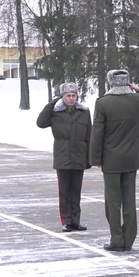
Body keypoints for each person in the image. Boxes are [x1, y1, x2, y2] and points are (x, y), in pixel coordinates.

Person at [90, 69, 139, 252]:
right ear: (128, 82)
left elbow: (97, 133)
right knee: (129, 200)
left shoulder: (103, 103)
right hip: (131, 158)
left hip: (111, 160)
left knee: (113, 201)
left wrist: (95, 158)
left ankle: (117, 239)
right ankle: (129, 239)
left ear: (110, 82)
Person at [37, 82, 92, 232]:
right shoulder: (55, 112)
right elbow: (40, 123)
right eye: (68, 96)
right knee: (64, 192)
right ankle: (66, 221)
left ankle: (76, 220)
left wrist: (89, 157)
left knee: (76, 192)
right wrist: (51, 104)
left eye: (74, 95)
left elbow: (89, 136)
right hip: (63, 157)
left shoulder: (84, 112)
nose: (71, 99)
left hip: (79, 156)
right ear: (62, 97)